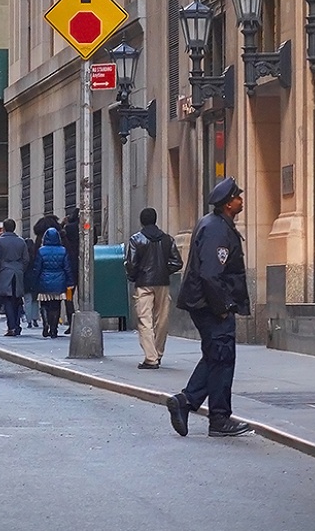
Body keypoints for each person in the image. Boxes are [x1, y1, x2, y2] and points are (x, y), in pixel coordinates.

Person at [166, 177, 252, 438]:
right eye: (238, 197)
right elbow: (210, 274)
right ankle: (219, 418)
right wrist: (224, 306)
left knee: (217, 356)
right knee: (223, 357)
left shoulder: (216, 224)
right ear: (228, 204)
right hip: (211, 305)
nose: (241, 200)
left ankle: (186, 401)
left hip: (206, 303)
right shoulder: (216, 229)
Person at [124, 207, 183, 369]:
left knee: (145, 320)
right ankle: (158, 352)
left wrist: (133, 276)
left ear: (142, 221)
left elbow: (132, 264)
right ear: (155, 220)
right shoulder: (167, 239)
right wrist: (164, 270)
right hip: (162, 283)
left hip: (144, 283)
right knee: (162, 319)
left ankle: (151, 358)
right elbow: (177, 262)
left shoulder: (136, 239)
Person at [29, 227, 75, 338]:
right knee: (56, 306)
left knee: (44, 305)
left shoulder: (41, 251)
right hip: (59, 282)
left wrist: (34, 282)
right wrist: (70, 282)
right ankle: (54, 329)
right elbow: (67, 268)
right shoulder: (63, 250)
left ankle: (46, 324)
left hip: (44, 282)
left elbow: (37, 268)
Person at [0, 218, 29, 336]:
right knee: (17, 300)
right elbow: (26, 259)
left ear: (4, 228)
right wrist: (21, 269)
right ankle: (16, 325)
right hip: (18, 272)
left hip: (5, 272)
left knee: (7, 300)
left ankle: (11, 326)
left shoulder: (0, 241)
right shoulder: (21, 241)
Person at [61, 208, 80, 335]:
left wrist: (63, 223)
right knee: (86, 296)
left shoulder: (69, 229)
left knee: (69, 296)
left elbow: (61, 236)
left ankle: (71, 320)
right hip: (85, 266)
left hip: (71, 268)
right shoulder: (90, 227)